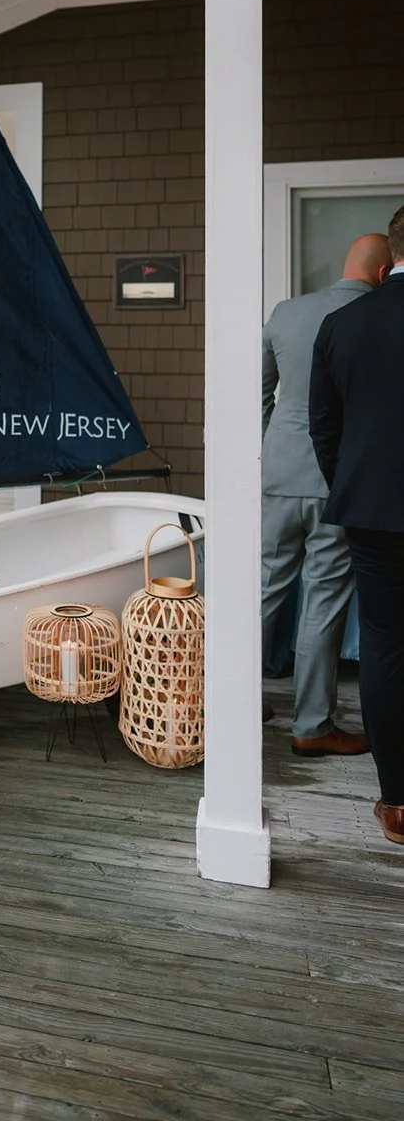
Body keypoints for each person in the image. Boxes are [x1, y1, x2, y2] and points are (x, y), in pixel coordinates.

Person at [261, 233, 391, 754]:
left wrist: (269, 446)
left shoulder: (287, 311)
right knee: (325, 597)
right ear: (384, 274)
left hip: (278, 470)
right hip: (339, 476)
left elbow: (258, 387)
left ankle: (231, 700)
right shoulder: (378, 317)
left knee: (264, 587)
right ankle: (311, 726)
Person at [310, 208, 404, 845]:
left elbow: (325, 429)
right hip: (371, 509)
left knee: (386, 646)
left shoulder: (342, 324)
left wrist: (354, 484)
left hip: (372, 512)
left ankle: (398, 801)